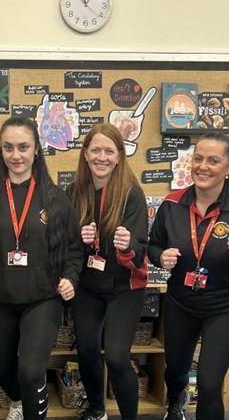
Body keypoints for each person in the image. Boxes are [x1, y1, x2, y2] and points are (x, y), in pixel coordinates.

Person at [0, 117, 82, 420]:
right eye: (8, 148)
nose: (16, 155)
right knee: (2, 369)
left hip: (42, 298)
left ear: (36, 149)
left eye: (23, 147)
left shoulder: (56, 197)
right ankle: (16, 402)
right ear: (1, 150)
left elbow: (74, 250)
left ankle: (32, 410)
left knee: (31, 370)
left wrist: (70, 277)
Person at [148, 131, 229, 420]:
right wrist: (160, 257)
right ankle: (176, 402)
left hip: (227, 306)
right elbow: (153, 247)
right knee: (175, 371)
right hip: (181, 301)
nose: (203, 167)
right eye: (198, 159)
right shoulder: (172, 204)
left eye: (213, 161)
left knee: (210, 383)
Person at [66, 124, 148, 420]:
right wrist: (79, 238)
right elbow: (64, 244)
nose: (102, 157)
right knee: (86, 350)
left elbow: (141, 250)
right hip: (88, 286)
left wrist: (127, 246)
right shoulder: (74, 192)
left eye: (109, 151)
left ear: (119, 156)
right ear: (85, 154)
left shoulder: (131, 194)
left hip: (124, 288)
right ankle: (97, 410)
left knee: (116, 356)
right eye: (96, 150)